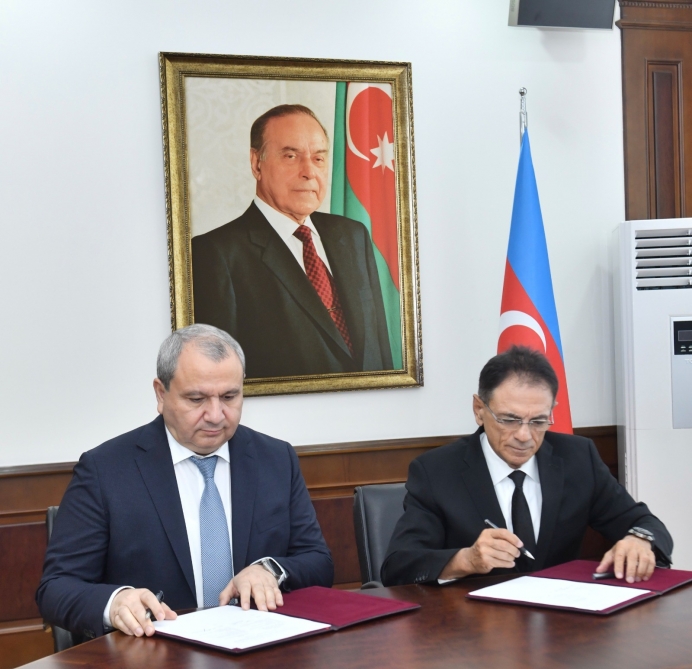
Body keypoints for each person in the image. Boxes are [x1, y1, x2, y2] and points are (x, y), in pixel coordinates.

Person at [37, 324, 333, 640]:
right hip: (154, 653)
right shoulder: (106, 470)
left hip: (259, 650)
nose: (216, 415)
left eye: (229, 396)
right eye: (196, 398)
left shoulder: (275, 459)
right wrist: (116, 602)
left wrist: (269, 570)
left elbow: (318, 562)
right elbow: (56, 587)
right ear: (161, 394)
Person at [381, 346, 673, 586]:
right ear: (479, 410)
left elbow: (647, 524)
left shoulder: (577, 458)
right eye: (509, 419)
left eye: (538, 421)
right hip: (476, 627)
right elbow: (399, 566)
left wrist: (640, 540)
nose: (524, 435)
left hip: (564, 624)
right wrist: (467, 560)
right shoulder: (437, 471)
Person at [192, 104, 393, 379]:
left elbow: (380, 350)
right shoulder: (216, 254)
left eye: (318, 158)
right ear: (256, 163)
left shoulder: (353, 235)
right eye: (290, 156)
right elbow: (219, 376)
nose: (309, 171)